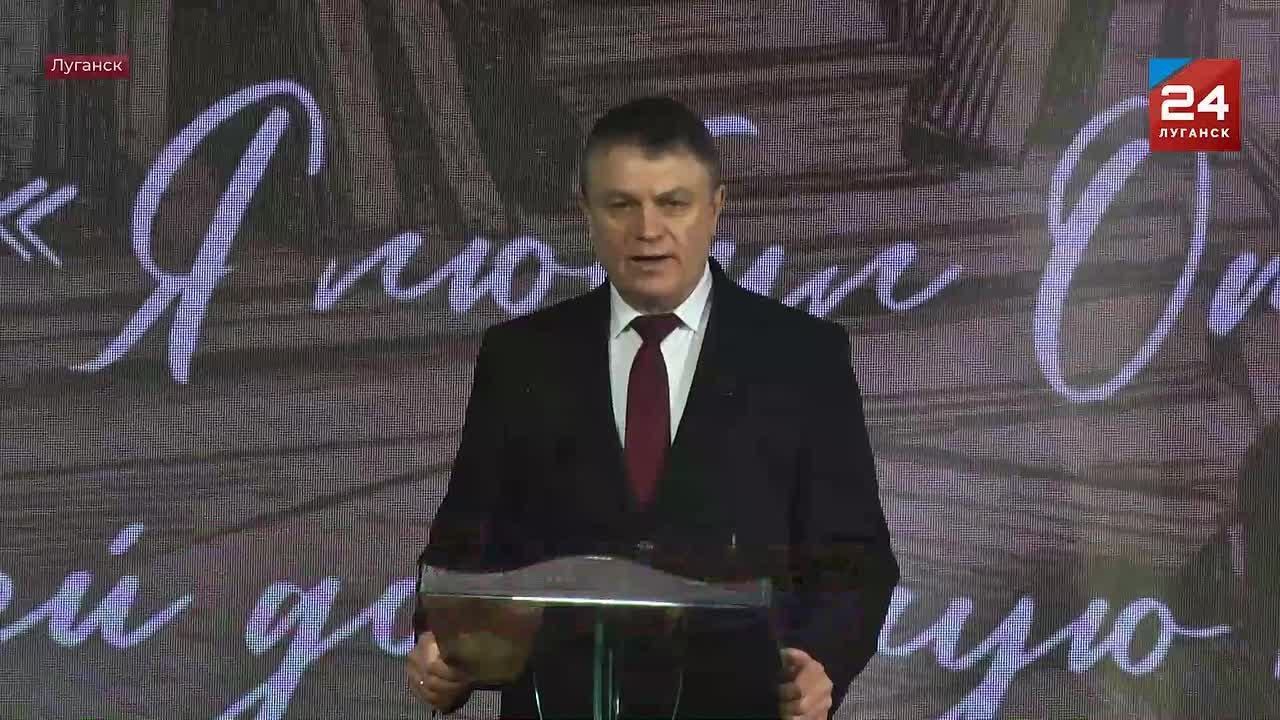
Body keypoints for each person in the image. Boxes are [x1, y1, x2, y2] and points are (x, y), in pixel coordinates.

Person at [406, 95, 899, 719]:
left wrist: (821, 662)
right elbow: (460, 551)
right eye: (622, 205)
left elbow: (856, 562)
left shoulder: (802, 356)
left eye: (673, 203)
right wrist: (439, 646)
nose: (647, 231)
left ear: (715, 207)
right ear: (585, 211)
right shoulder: (520, 357)